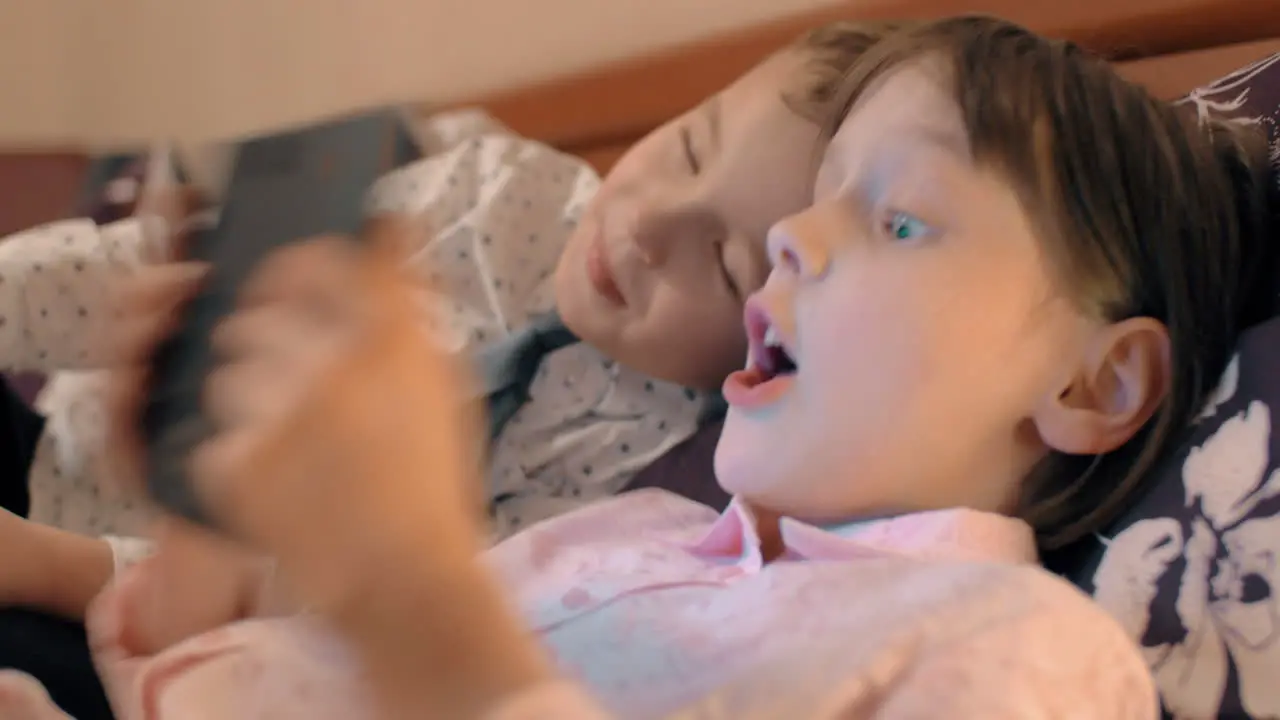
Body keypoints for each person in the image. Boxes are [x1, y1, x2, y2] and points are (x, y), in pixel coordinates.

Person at [10, 13, 1268, 719]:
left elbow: (410, 646)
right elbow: (279, 653)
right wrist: (205, 529)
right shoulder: (624, 535)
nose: (788, 235)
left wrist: (411, 589)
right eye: (815, 200)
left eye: (897, 220)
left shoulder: (1021, 652)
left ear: (1092, 385)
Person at [0, 21, 897, 717]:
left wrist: (51, 565)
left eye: (724, 262)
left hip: (137, 598)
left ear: (766, 338)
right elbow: (104, 276)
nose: (649, 227)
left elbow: (325, 613)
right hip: (61, 444)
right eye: (692, 144)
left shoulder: (649, 498)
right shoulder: (506, 191)